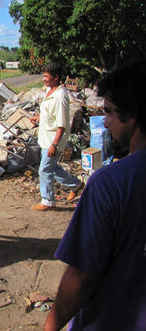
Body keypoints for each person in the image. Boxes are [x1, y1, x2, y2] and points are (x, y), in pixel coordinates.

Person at [44, 60, 146, 331]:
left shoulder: (110, 184)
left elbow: (80, 276)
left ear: (132, 116)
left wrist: (52, 325)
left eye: (110, 112)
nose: (106, 122)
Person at [30, 63, 81, 211]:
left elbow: (62, 123)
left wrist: (55, 144)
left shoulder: (60, 95)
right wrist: (39, 117)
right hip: (45, 137)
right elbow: (49, 113)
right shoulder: (49, 91)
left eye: (46, 76)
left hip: (54, 138)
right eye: (43, 76)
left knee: (44, 169)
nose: (43, 79)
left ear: (56, 77)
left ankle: (47, 200)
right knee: (52, 167)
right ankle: (76, 184)